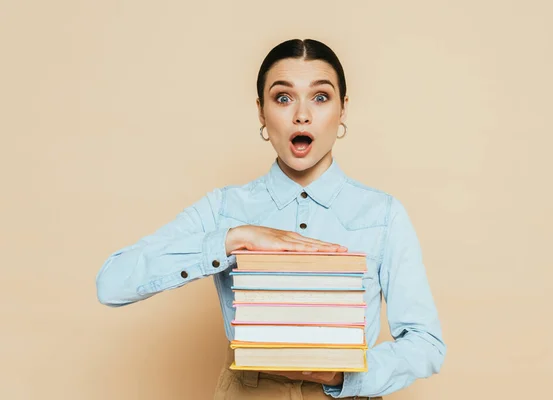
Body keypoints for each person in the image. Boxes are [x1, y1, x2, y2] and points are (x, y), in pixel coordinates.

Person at [96, 38, 446, 399]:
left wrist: (342, 376)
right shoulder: (224, 208)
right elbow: (112, 283)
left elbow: (426, 344)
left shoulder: (383, 215)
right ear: (262, 112)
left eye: (321, 97)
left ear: (343, 109)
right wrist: (231, 239)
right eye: (283, 98)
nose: (302, 115)